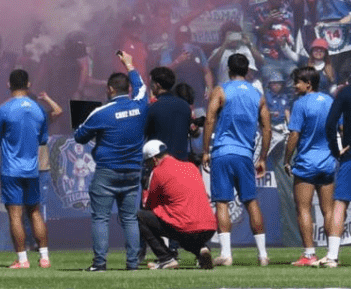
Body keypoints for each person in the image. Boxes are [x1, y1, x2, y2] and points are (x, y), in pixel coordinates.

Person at [73, 50, 147, 272]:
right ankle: (133, 264)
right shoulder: (140, 105)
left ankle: (100, 264)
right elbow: (142, 86)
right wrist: (130, 65)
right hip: (133, 171)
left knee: (101, 218)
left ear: (109, 90)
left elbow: (79, 136)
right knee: (130, 219)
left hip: (108, 171)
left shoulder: (101, 113)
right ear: (128, 90)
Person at [201, 53, 272, 266]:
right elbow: (267, 127)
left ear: (228, 70)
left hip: (223, 152)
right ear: (247, 70)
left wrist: (206, 150)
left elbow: (210, 119)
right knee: (251, 202)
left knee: (222, 202)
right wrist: (262, 157)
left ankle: (226, 254)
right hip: (244, 154)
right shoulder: (257, 94)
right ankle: (263, 255)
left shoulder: (221, 90)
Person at [0, 68, 50, 269]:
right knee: (35, 212)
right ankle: (44, 257)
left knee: (15, 214)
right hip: (32, 168)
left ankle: (22, 259)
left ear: (9, 85)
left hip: (11, 169)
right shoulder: (38, 109)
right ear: (29, 84)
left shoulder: (4, 110)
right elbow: (42, 139)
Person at [316, 47, 351, 267]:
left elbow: (330, 124)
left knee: (340, 204)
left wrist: (336, 150)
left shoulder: (345, 92)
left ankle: (333, 256)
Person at [282, 66, 336, 267]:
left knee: (303, 208)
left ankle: (310, 254)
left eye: (297, 82)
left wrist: (287, 159)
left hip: (306, 163)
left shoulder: (300, 104)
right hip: (328, 162)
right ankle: (332, 254)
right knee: (328, 210)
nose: (294, 86)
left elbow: (294, 134)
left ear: (308, 84)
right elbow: (340, 127)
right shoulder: (330, 102)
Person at [138, 140, 216, 270]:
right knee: (183, 233)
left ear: (155, 160)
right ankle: (202, 250)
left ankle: (166, 258)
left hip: (186, 226)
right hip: (209, 227)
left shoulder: (158, 172)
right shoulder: (191, 166)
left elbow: (150, 206)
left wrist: (146, 190)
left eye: (148, 162)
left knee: (141, 217)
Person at [145, 66, 193, 161]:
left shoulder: (152, 108)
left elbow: (144, 133)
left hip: (160, 163)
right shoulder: (185, 106)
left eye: (151, 82)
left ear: (157, 85)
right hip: (181, 162)